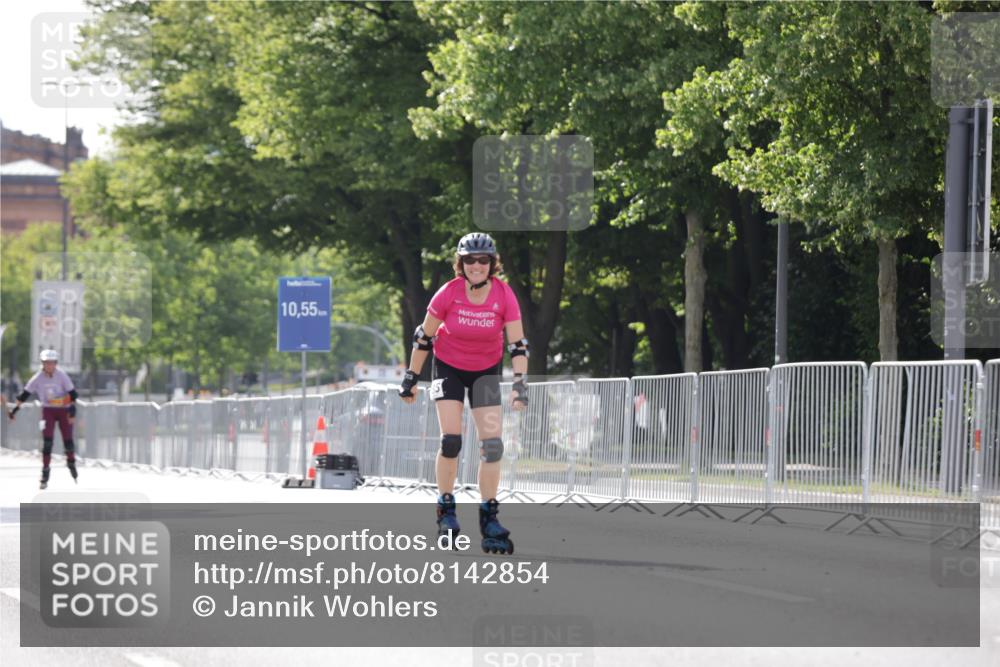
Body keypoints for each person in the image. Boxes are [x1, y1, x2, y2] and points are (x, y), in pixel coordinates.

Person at [399, 232, 529, 554]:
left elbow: (517, 344)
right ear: (461, 264)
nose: (476, 266)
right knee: (451, 441)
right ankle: (447, 510)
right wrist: (411, 377)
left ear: (492, 264)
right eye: (469, 260)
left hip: (485, 371)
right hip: (449, 368)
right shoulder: (449, 293)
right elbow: (423, 337)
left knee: (493, 447)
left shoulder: (504, 295)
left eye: (482, 260)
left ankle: (489, 517)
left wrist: (520, 386)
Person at [7, 349, 79, 489]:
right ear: (42, 363)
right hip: (48, 411)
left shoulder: (62, 375)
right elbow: (24, 395)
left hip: (64, 410)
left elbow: (74, 394)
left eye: (52, 363)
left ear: (56, 363)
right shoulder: (38, 378)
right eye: (46, 363)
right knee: (47, 443)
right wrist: (14, 411)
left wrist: (72, 409)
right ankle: (45, 473)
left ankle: (71, 463)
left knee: (68, 442)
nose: (49, 366)